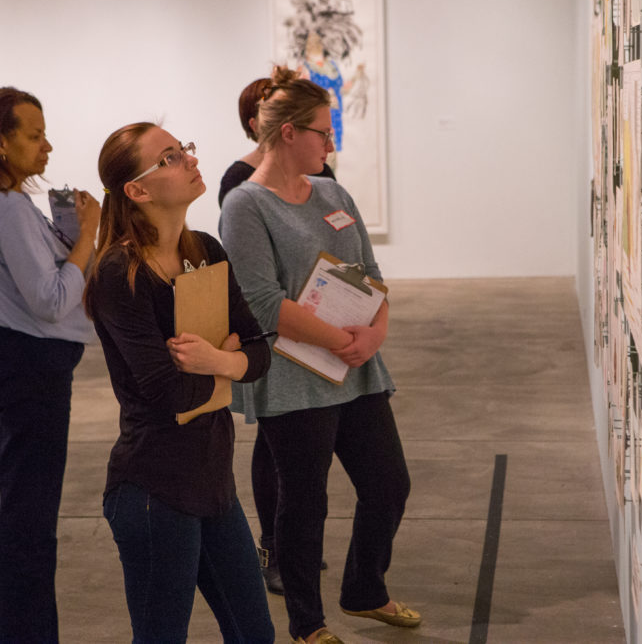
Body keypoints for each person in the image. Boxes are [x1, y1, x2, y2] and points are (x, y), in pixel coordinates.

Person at [219, 66, 419, 644]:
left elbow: (371, 275)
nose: (330, 144)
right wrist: (339, 340)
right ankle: (308, 623)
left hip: (357, 370)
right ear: (286, 134)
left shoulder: (332, 191)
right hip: (294, 376)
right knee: (303, 503)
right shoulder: (244, 205)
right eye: (322, 133)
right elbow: (261, 301)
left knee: (389, 484)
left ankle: (364, 589)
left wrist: (374, 335)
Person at [84, 122, 275, 643]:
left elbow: (260, 354)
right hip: (154, 489)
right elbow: (169, 395)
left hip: (214, 483)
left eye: (183, 149)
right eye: (169, 157)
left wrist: (217, 360)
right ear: (137, 191)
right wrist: (229, 368)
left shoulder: (206, 251)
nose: (190, 159)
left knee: (256, 634)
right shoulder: (118, 274)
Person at [0, 87, 100, 642]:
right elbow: (51, 298)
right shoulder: (8, 208)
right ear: (0, 143)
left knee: (26, 518)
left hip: (14, 360)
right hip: (28, 366)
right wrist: (87, 238)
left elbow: (36, 279)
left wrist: (64, 231)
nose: (47, 146)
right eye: (34, 136)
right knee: (31, 525)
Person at [219, 76, 334, 596]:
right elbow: (259, 289)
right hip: (277, 344)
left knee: (304, 474)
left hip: (322, 338)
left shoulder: (323, 179)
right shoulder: (240, 190)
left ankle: (292, 552)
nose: (329, 145)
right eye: (321, 131)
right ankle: (276, 551)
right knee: (277, 455)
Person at [218, 76, 335, 209]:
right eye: (323, 134)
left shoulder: (324, 178)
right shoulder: (238, 185)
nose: (330, 147)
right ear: (255, 124)